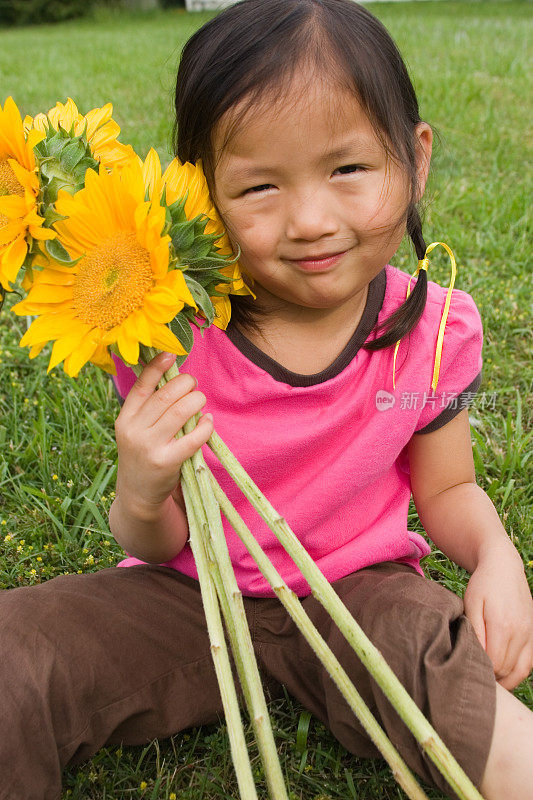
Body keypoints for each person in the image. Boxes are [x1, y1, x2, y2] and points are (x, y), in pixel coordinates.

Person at [1, 1, 532, 798]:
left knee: (455, 684)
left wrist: (496, 557)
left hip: (363, 591)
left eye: (347, 169)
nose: (310, 221)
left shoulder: (432, 331)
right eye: (257, 186)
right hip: (185, 594)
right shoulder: (168, 330)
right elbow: (152, 540)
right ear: (200, 191)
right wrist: (142, 485)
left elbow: (447, 487)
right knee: (18, 651)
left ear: (414, 159)